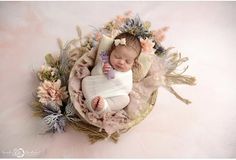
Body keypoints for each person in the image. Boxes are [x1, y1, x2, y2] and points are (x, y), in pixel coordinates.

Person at [82, 32, 142, 114]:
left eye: (127, 61)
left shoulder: (128, 73)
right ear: (111, 52)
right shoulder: (105, 63)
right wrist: (101, 70)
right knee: (85, 81)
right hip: (95, 88)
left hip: (113, 96)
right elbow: (93, 74)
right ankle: (92, 102)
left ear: (134, 63)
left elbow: (126, 88)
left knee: (125, 100)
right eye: (117, 57)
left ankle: (104, 107)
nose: (121, 62)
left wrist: (116, 80)